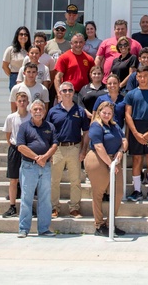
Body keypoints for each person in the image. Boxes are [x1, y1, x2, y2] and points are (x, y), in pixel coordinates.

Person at [16, 100, 58, 237]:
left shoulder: (50, 126)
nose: (38, 112)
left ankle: (44, 229)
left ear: (44, 112)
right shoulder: (24, 127)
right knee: (26, 198)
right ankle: (23, 229)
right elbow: (21, 146)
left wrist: (44, 158)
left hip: (45, 167)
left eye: (40, 109)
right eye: (35, 110)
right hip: (29, 167)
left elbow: (54, 145)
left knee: (45, 199)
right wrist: (36, 158)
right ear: (30, 112)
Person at [86, 100, 128, 237]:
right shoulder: (96, 126)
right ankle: (99, 225)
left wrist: (121, 151)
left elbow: (124, 141)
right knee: (98, 193)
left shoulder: (114, 126)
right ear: (99, 112)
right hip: (98, 159)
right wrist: (110, 164)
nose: (106, 115)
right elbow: (98, 146)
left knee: (118, 192)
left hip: (114, 160)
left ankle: (110, 224)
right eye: (104, 112)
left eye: (109, 113)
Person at [124, 64, 148, 202]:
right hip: (136, 127)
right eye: (140, 76)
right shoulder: (131, 94)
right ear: (136, 77)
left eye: (145, 76)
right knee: (137, 159)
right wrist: (135, 133)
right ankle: (137, 190)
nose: (142, 78)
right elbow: (127, 115)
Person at [48, 82, 86, 219]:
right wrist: (49, 152)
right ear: (60, 93)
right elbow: (48, 132)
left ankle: (74, 208)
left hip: (75, 148)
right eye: (64, 90)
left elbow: (86, 132)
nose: (68, 92)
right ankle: (54, 207)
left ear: (74, 92)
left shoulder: (80, 111)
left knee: (75, 180)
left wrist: (84, 150)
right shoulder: (53, 111)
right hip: (57, 149)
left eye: (70, 90)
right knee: (54, 180)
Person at [2, 92, 29, 219]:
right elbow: (8, 135)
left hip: (28, 150)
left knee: (27, 179)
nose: (22, 103)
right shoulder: (11, 117)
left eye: (24, 100)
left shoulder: (31, 117)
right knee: (14, 179)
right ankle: (12, 206)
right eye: (20, 101)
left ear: (28, 102)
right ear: (16, 102)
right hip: (15, 149)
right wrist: (14, 146)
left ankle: (27, 206)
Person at [2, 26, 31, 91]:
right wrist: (12, 76)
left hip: (29, 76)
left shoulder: (31, 50)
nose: (23, 36)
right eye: (21, 34)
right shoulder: (10, 49)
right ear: (17, 36)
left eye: (26, 34)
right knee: (16, 99)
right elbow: (4, 66)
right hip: (15, 76)